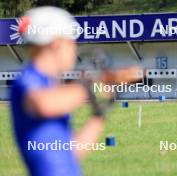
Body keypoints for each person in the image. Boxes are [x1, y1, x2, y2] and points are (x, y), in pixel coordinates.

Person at [10, 6, 140, 176]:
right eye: (72, 42)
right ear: (56, 44)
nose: (74, 48)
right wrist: (96, 82)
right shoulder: (28, 80)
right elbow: (44, 104)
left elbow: (70, 153)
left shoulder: (48, 85)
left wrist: (99, 115)